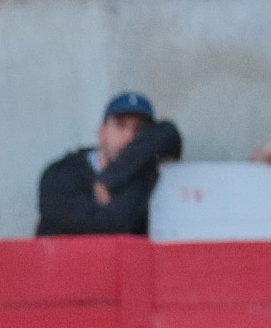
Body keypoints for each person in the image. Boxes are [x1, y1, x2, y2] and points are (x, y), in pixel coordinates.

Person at [36, 92, 182, 236]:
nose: (129, 137)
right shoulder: (61, 174)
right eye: (120, 126)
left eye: (139, 130)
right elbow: (111, 224)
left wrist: (108, 179)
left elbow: (170, 134)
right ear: (101, 133)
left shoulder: (143, 174)